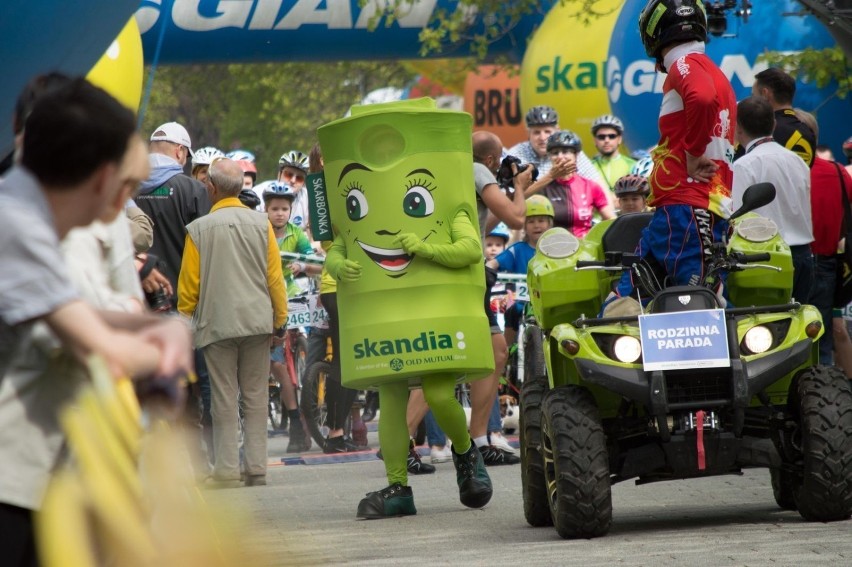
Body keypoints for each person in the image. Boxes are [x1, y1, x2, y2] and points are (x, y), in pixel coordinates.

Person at [0, 76, 193, 565]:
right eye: (126, 186)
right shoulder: (17, 226)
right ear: (104, 179)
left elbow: (76, 311)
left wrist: (161, 329)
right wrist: (165, 353)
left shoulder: (19, 214)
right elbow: (96, 345)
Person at [613, 0, 737, 303]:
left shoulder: (685, 64)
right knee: (625, 299)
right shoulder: (713, 70)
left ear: (654, 32)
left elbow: (702, 98)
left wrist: (693, 154)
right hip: (684, 208)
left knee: (701, 300)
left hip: (688, 206)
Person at [177, 158, 288, 488]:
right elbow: (274, 278)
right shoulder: (261, 224)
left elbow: (189, 289)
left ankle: (225, 470)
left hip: (217, 325)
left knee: (224, 399)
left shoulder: (198, 230)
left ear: (210, 187)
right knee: (255, 397)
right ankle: (256, 469)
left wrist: (185, 319)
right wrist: (280, 320)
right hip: (257, 323)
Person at [732, 97, 813, 304]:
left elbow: (736, 218)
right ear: (774, 124)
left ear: (737, 126)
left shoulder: (744, 165)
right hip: (803, 256)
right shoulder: (797, 161)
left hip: (768, 259)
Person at [262, 181, 319, 453]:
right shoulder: (261, 232)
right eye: (274, 209)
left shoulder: (297, 233)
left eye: (284, 208)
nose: (280, 213)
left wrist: (303, 264)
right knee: (278, 365)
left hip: (297, 297)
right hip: (271, 301)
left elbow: (312, 261)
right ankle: (295, 420)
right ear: (266, 209)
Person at [795, 109, 852, 364]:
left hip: (793, 261)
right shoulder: (839, 172)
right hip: (829, 263)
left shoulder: (789, 171)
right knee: (823, 342)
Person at [136, 121, 211, 293]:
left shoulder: (126, 186)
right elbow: (206, 248)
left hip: (134, 294)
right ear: (179, 151)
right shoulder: (195, 191)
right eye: (186, 156)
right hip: (177, 294)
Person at [531, 130, 615, 236]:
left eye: (565, 151)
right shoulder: (543, 187)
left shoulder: (590, 186)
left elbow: (610, 220)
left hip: (585, 247)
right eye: (555, 153)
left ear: (576, 155)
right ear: (549, 157)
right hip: (552, 247)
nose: (560, 156)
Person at [508, 106, 606, 195]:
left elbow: (600, 189)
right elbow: (508, 197)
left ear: (557, 130)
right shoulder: (515, 154)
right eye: (536, 132)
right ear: (528, 133)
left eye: (547, 132)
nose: (542, 137)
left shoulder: (571, 151)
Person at [752, 67, 816, 167]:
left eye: (753, 95)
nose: (752, 101)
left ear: (765, 94)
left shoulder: (760, 132)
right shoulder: (809, 132)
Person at [590, 114, 636, 196]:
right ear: (595, 140)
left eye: (612, 136)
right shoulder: (588, 166)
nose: (606, 140)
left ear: (619, 139)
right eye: (601, 137)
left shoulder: (633, 165)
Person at [277, 150, 310, 232]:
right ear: (279, 174)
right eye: (288, 175)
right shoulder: (260, 192)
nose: (293, 180)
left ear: (304, 183)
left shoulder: (309, 199)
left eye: (299, 178)